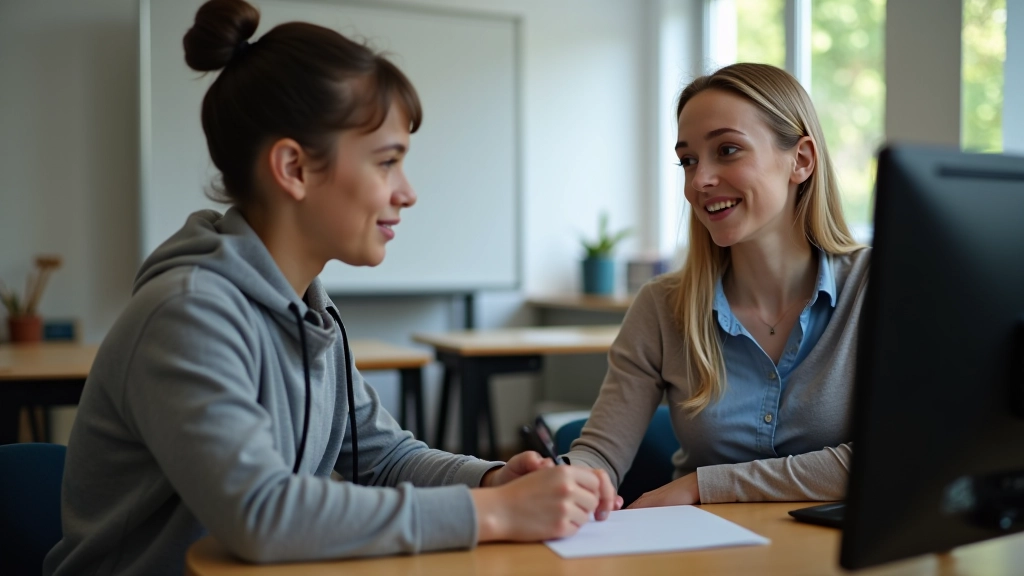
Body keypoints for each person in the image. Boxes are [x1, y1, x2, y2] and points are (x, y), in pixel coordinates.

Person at [43, 1, 617, 574]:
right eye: (387, 162)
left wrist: (493, 478)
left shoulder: (311, 310)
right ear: (293, 169)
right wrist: (490, 512)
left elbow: (383, 455)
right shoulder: (188, 314)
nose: (407, 192)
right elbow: (262, 515)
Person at [565, 63, 869, 508]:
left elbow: (894, 456)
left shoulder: (874, 287)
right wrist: (557, 479)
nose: (699, 181)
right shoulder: (662, 305)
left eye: (727, 150)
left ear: (800, 160)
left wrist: (700, 485)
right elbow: (599, 453)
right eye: (688, 160)